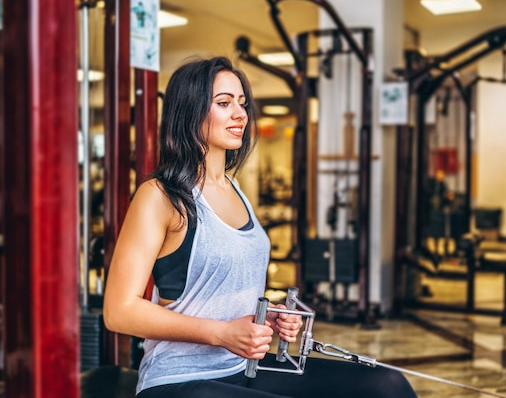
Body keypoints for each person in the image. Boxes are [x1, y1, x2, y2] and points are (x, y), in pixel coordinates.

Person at [103, 56, 417, 398]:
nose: (240, 114)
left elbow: (225, 298)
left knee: (387, 386)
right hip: (179, 380)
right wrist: (222, 333)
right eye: (224, 103)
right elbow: (119, 311)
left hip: (242, 368)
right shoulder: (160, 196)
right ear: (189, 112)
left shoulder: (235, 190)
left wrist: (265, 319)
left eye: (242, 103)